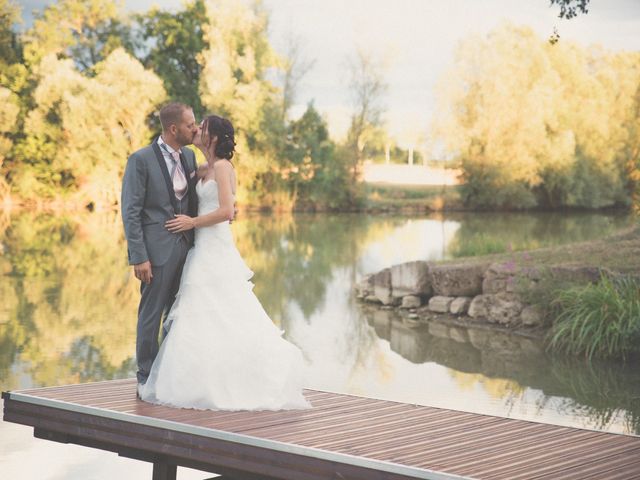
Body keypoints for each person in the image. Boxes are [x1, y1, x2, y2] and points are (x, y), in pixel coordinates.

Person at [137, 115, 310, 410]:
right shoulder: (199, 167)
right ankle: (198, 380)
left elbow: (227, 211)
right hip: (199, 249)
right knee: (198, 316)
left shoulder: (223, 167)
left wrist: (192, 221)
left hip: (216, 247)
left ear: (213, 137)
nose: (197, 130)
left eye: (201, 127)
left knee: (227, 312)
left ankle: (247, 378)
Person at [121, 102, 199, 392]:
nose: (195, 128)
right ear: (173, 128)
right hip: (155, 253)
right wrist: (139, 256)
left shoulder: (190, 157)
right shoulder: (140, 160)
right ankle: (145, 375)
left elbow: (194, 201)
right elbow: (131, 211)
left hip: (187, 250)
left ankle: (169, 373)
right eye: (191, 124)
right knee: (151, 314)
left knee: (178, 314)